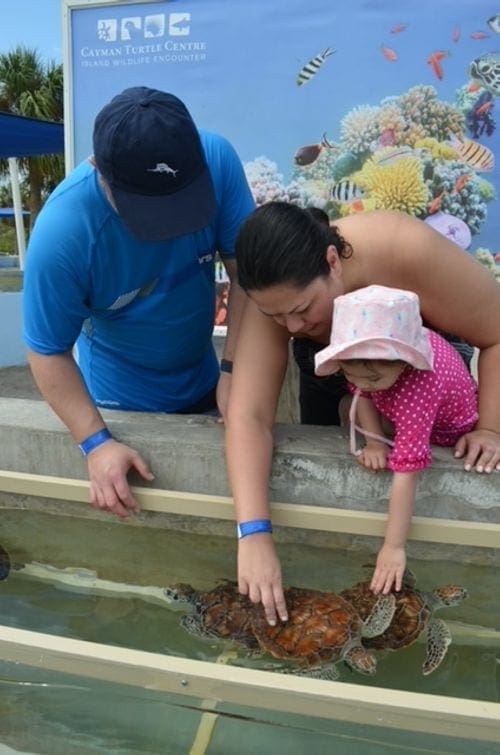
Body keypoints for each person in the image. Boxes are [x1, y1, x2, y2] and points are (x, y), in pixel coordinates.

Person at [225, 201, 500, 626]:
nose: (291, 327)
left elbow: (497, 333)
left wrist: (490, 427)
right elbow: (249, 416)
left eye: (300, 310)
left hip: (430, 375)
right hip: (336, 376)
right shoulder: (278, 294)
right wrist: (253, 533)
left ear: (332, 261)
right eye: (275, 316)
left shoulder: (402, 248)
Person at [23, 86, 255, 519]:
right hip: (117, 403)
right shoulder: (63, 232)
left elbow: (249, 275)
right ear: (98, 168)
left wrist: (233, 371)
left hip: (205, 379)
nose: (168, 228)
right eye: (149, 207)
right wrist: (95, 442)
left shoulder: (217, 159)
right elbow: (46, 350)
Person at [314, 284, 479, 595]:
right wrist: (375, 443)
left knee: (364, 416)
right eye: (349, 374)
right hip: (403, 399)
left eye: (373, 378)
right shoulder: (370, 368)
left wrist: (393, 547)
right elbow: (361, 391)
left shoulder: (419, 387)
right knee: (348, 403)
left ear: (404, 361)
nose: (362, 384)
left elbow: (406, 474)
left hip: (446, 429)